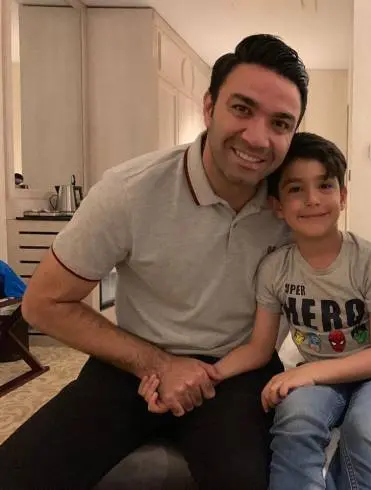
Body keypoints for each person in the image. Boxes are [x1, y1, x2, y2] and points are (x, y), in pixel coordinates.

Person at [0, 34, 308, 490]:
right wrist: (159, 365)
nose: (258, 138)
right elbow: (43, 304)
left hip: (238, 371)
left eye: (280, 123)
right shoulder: (130, 190)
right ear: (209, 107)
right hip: (132, 364)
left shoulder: (295, 204)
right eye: (242, 109)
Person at [142, 132, 371, 489]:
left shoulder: (370, 261)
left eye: (325, 186)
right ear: (277, 205)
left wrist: (309, 373)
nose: (312, 199)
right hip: (319, 378)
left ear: (343, 196)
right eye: (296, 189)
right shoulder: (275, 269)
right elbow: (259, 348)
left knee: (366, 427)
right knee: (294, 421)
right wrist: (206, 375)